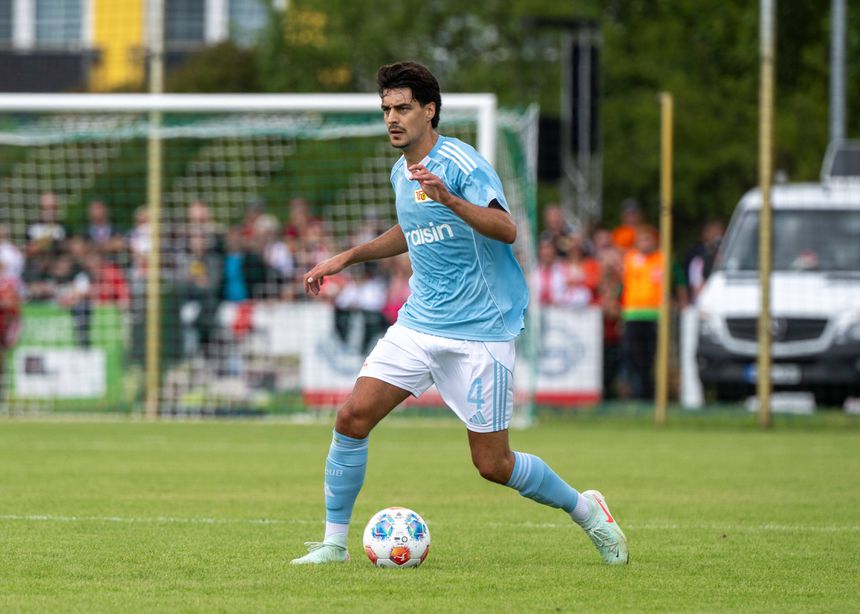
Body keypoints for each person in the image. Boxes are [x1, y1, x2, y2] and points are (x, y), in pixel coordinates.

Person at [291, 61, 628, 566]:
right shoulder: (399, 171)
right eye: (386, 109)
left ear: (429, 111)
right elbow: (410, 227)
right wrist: (347, 257)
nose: (392, 118)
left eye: (402, 107)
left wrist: (449, 197)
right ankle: (334, 544)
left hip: (481, 331)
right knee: (352, 416)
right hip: (420, 323)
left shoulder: (462, 164)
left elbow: (505, 227)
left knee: (493, 465)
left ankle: (588, 510)